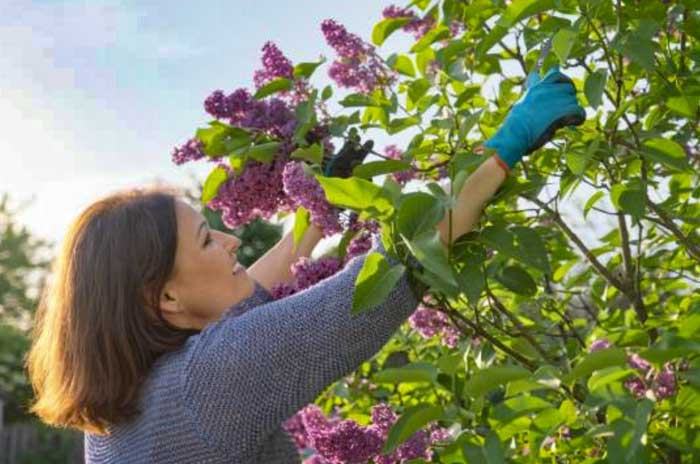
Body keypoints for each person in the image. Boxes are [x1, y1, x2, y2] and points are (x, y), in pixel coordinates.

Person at [26, 66, 585, 463]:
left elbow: (247, 308)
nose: (229, 241)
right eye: (204, 240)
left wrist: (313, 217)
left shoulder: (113, 415)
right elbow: (395, 269)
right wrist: (512, 139)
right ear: (165, 299)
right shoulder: (210, 383)